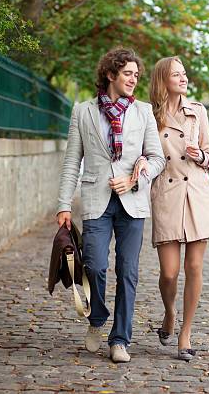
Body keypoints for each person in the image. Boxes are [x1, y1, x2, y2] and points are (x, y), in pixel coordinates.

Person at [56, 47, 165, 363]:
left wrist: (134, 181)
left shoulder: (143, 112)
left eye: (136, 74)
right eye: (128, 73)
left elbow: (157, 159)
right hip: (96, 199)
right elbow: (71, 161)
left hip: (132, 203)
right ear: (110, 74)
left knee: (128, 271)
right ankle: (96, 319)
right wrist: (64, 205)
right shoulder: (83, 111)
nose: (134, 79)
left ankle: (120, 340)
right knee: (94, 265)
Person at [144, 56, 209, 361]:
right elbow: (147, 155)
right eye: (176, 75)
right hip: (167, 193)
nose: (183, 79)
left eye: (184, 74)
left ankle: (185, 334)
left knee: (194, 267)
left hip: (197, 193)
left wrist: (200, 156)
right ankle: (169, 313)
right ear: (162, 80)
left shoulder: (198, 113)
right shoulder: (149, 115)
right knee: (169, 272)